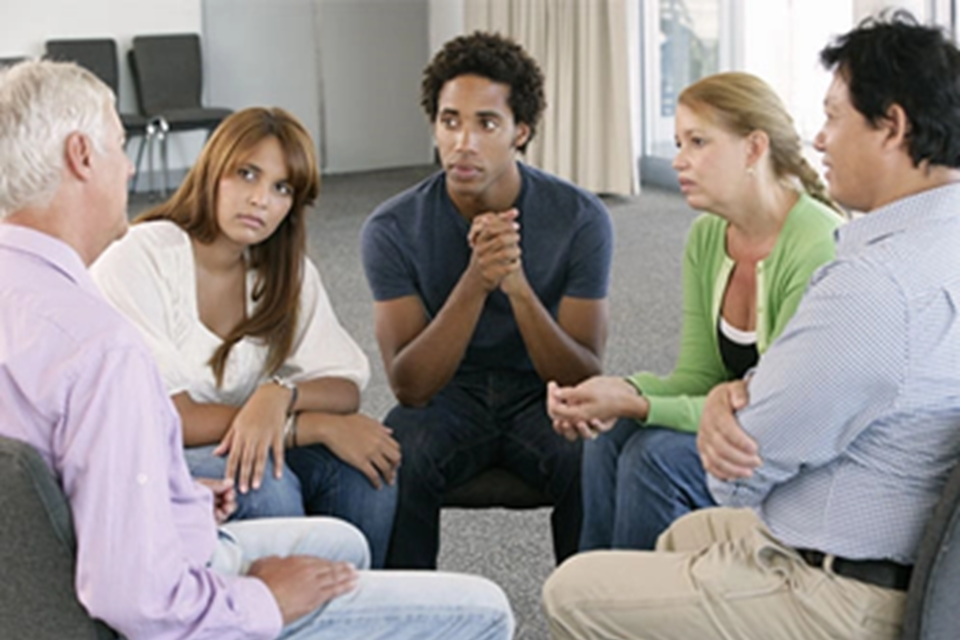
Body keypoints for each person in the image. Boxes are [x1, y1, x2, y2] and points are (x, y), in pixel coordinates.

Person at [0, 59, 513, 640]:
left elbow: (67, 480)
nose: (131, 165)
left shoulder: (26, 301)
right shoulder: (97, 344)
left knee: (342, 536)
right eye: (120, 146)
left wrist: (183, 496)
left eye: (281, 188)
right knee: (488, 606)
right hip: (155, 605)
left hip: (68, 570)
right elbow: (138, 597)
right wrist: (263, 601)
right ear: (82, 156)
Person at [543, 11, 960, 639]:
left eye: (834, 117)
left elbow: (739, 470)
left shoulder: (873, 287)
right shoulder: (934, 243)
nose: (819, 140)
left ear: (892, 127)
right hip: (891, 547)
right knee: (679, 530)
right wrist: (708, 400)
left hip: (840, 591)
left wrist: (719, 407)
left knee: (569, 590)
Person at [547, 72, 843, 551]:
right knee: (608, 438)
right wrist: (620, 391)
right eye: (680, 141)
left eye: (698, 142)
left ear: (753, 149)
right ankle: (597, 608)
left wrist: (637, 404)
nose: (678, 160)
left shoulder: (815, 244)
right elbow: (698, 375)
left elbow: (772, 412)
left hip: (790, 446)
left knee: (654, 455)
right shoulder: (708, 237)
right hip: (738, 428)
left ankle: (641, 616)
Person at [91, 107, 398, 568]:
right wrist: (310, 425)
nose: (260, 200)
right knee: (264, 481)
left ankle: (359, 614)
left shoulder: (284, 273)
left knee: (369, 467)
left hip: (239, 440)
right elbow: (174, 417)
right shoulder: (141, 255)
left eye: (281, 188)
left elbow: (343, 385)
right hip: (148, 451)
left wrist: (280, 394)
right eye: (247, 174)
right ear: (214, 170)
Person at [361, 31, 613, 569]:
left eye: (486, 124)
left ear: (521, 132)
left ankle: (587, 619)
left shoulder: (580, 219)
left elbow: (582, 377)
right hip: (447, 398)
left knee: (595, 455)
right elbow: (410, 387)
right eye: (450, 121)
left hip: (543, 397)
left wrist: (517, 287)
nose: (463, 143)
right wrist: (477, 280)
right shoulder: (392, 228)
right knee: (393, 454)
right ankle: (413, 622)